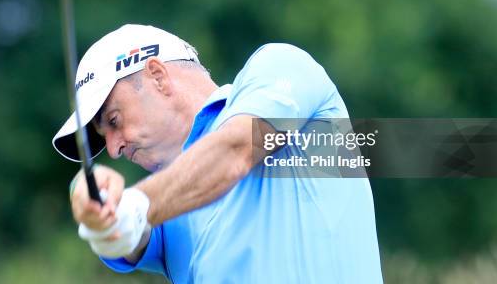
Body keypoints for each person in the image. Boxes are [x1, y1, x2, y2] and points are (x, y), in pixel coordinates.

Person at [53, 24, 383, 283]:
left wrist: (135, 205)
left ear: (158, 76)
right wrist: (93, 202)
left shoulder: (281, 66)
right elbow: (125, 237)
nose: (114, 147)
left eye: (114, 121)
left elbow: (236, 149)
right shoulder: (164, 207)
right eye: (104, 137)